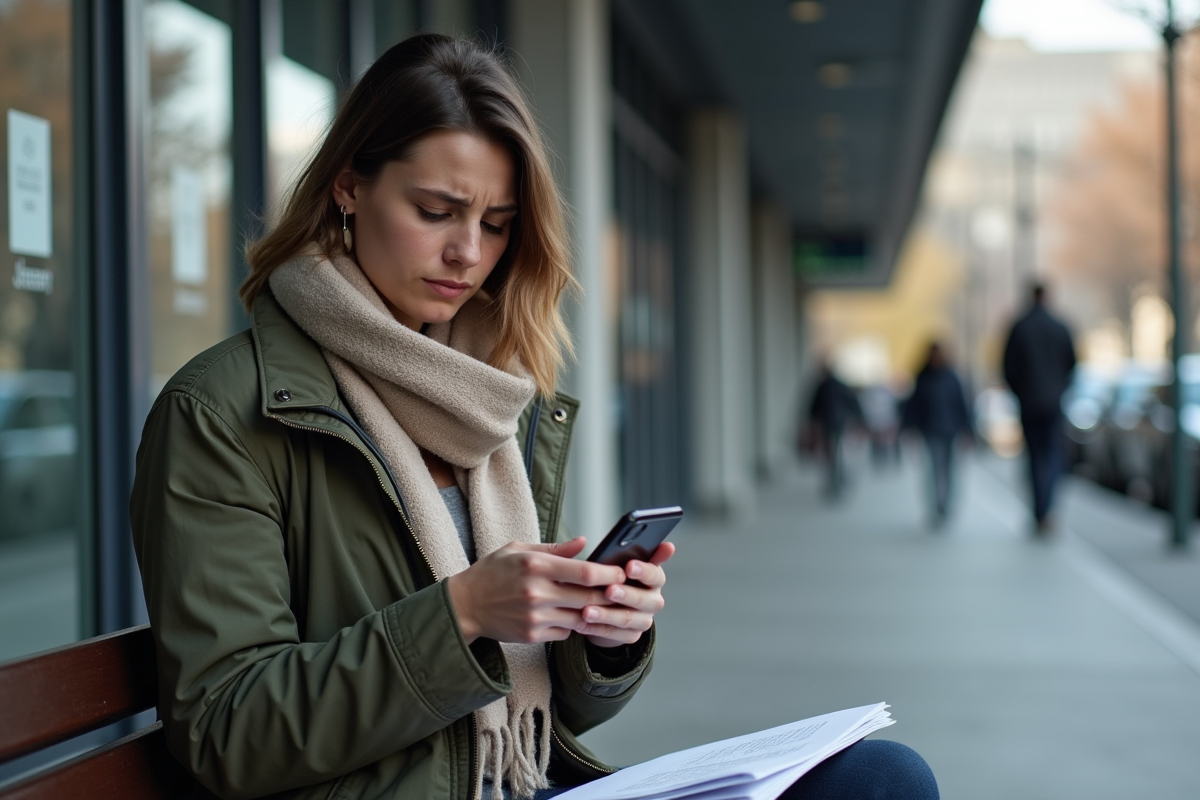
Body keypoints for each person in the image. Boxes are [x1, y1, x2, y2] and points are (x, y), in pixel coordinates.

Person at [130, 34, 937, 800]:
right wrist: (463, 613)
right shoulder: (224, 411)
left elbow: (547, 713)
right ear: (349, 184)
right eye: (437, 211)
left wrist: (599, 638)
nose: (468, 255)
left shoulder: (480, 394)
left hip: (528, 781)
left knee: (880, 777)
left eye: (496, 224)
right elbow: (227, 730)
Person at [1002, 283, 1077, 534]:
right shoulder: (1060, 327)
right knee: (1053, 457)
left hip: (1030, 403)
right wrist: (1059, 389)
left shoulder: (1020, 327)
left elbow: (1008, 367)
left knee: (1035, 459)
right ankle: (1048, 510)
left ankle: (1040, 511)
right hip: (1053, 403)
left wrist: (1020, 393)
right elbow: (1072, 364)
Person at [902, 343, 974, 527]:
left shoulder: (952, 378)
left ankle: (946, 506)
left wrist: (968, 430)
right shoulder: (923, 378)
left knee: (949, 471)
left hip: (951, 431)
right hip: (930, 431)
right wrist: (908, 428)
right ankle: (936, 506)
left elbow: (962, 405)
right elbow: (913, 406)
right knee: (934, 470)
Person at [805, 361, 863, 499]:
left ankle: (835, 481)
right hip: (839, 423)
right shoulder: (840, 386)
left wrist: (811, 421)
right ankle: (837, 480)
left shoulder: (822, 386)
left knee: (831, 454)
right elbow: (853, 403)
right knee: (836, 453)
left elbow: (813, 407)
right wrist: (859, 419)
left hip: (827, 424)